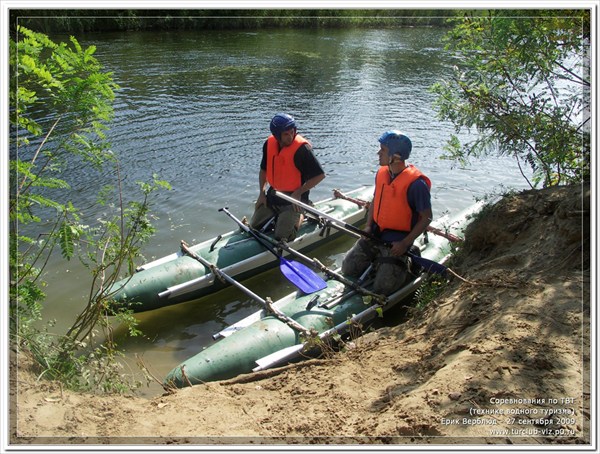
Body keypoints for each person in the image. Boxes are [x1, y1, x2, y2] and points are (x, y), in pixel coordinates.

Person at [341, 130, 432, 295]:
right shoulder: (382, 173)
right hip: (376, 235)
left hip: (398, 242)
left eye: (382, 150)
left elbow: (427, 218)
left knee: (383, 288)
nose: (378, 153)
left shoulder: (417, 184)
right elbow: (376, 200)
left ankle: (409, 263)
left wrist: (405, 243)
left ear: (396, 156)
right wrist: (368, 227)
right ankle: (380, 262)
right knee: (348, 268)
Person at [250, 113, 326, 241]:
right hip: (273, 197)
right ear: (277, 135)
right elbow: (263, 170)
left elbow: (320, 175)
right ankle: (278, 217)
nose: (290, 136)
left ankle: (303, 213)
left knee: (282, 236)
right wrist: (262, 193)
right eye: (286, 134)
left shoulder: (303, 149)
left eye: (292, 132)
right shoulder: (269, 144)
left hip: (294, 201)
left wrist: (298, 193)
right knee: (254, 226)